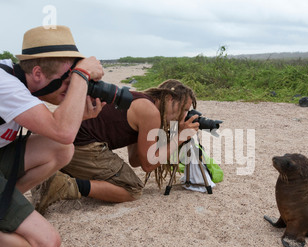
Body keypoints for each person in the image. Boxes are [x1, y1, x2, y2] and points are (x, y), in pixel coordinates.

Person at [0, 25, 105, 247]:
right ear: (37, 74)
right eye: (66, 80)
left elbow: (59, 135)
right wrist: (82, 75)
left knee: (61, 149)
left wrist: (82, 112)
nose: (69, 88)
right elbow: (63, 130)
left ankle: (0, 209)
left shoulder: (13, 76)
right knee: (45, 244)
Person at [32, 79, 200, 213]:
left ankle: (53, 176)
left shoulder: (141, 100)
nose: (184, 115)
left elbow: (136, 160)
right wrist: (179, 138)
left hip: (65, 139)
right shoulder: (151, 112)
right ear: (170, 99)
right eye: (184, 109)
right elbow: (148, 165)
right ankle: (63, 186)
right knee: (132, 188)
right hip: (82, 143)